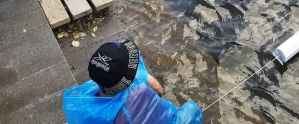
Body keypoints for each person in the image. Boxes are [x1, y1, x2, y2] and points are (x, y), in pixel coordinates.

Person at [63, 39, 203, 124]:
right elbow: (158, 87)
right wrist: (161, 93)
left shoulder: (88, 101)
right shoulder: (140, 80)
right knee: (191, 108)